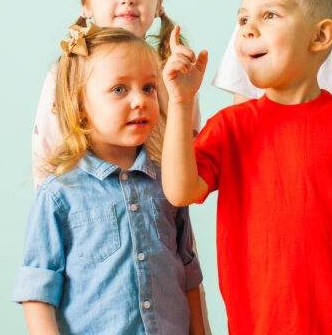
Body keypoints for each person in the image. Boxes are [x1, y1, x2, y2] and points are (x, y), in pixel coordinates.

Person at [162, 0, 332, 334]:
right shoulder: (231, 127)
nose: (248, 28)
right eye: (243, 18)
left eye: (269, 15)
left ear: (320, 36)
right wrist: (181, 104)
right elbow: (180, 191)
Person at [13, 24, 204, 334]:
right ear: (80, 107)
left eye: (149, 88)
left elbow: (189, 275)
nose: (140, 100)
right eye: (119, 89)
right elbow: (38, 289)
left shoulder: (167, 183)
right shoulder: (60, 193)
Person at [31, 0, 184, 185]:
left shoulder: (172, 72)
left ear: (159, 6)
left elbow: (188, 148)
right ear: (86, 5)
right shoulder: (66, 71)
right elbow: (47, 155)